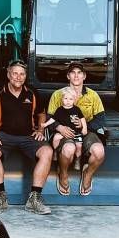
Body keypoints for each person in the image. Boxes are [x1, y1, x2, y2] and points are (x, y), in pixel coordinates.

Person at [0, 59, 54, 215]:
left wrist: (40, 131)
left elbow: (41, 114)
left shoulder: (32, 92)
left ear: (25, 76)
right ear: (8, 74)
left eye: (22, 74)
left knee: (47, 152)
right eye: (15, 73)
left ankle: (34, 199)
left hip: (29, 136)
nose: (18, 77)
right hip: (4, 135)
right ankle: (1, 198)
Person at [48, 62, 106, 197]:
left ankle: (88, 174)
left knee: (99, 151)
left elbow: (101, 120)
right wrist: (59, 127)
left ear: (84, 76)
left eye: (79, 73)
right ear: (68, 76)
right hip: (65, 133)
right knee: (69, 149)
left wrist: (83, 126)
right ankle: (62, 173)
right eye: (73, 73)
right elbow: (49, 118)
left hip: (87, 132)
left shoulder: (93, 95)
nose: (76, 75)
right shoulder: (58, 95)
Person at [44, 86, 87, 155]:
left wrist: (84, 128)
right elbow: (53, 119)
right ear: (62, 99)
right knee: (56, 138)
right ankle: (56, 152)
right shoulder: (59, 109)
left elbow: (82, 118)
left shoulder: (76, 109)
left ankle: (77, 160)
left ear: (74, 100)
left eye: (71, 99)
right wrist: (45, 124)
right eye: (65, 98)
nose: (68, 101)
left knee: (79, 146)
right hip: (63, 132)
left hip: (76, 132)